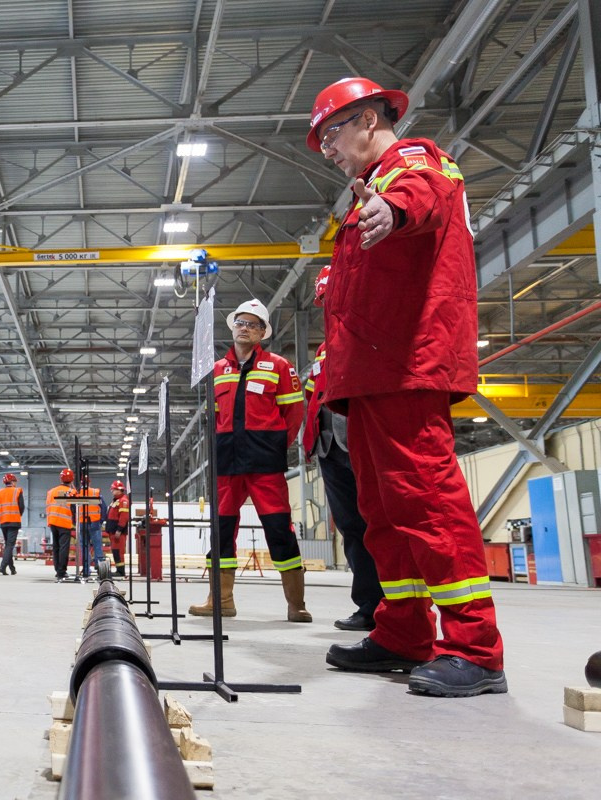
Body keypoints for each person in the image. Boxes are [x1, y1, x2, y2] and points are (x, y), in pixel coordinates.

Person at [309, 77, 505, 696]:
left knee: (427, 501)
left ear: (368, 118)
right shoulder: (370, 190)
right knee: (382, 512)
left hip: (405, 365)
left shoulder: (414, 163)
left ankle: (475, 648)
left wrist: (391, 211)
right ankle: (402, 631)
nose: (329, 151)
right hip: (368, 372)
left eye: (331, 135)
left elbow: (420, 198)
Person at [189, 298, 310, 622]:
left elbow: (294, 412)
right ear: (233, 327)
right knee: (221, 530)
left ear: (262, 333)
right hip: (227, 461)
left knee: (279, 529)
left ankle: (296, 604)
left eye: (252, 324)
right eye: (240, 322)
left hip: (264, 462)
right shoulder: (216, 370)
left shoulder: (280, 367)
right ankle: (220, 600)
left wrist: (275, 446)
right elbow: (213, 416)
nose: (245, 328)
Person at [302, 265, 382, 632]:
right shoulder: (323, 349)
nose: (328, 307)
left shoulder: (370, 334)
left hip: (363, 439)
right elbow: (313, 398)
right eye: (324, 300)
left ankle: (397, 608)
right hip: (330, 446)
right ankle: (368, 605)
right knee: (351, 526)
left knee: (378, 523)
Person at [46, 468, 76, 583]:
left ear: (61, 479)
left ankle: (57, 570)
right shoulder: (72, 492)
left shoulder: (51, 491)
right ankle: (61, 571)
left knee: (56, 547)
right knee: (64, 547)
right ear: (72, 479)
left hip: (53, 521)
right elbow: (74, 508)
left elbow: (48, 506)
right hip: (64, 522)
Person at [0, 473, 24, 575]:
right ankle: (2, 567)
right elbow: (21, 507)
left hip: (3, 521)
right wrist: (17, 515)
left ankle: (12, 568)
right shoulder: (17, 491)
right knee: (10, 545)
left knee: (8, 545)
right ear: (12, 481)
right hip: (14, 521)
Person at [77, 476, 104, 581]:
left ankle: (86, 570)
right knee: (97, 546)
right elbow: (104, 508)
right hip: (95, 523)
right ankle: (100, 569)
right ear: (89, 482)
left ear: (81, 483)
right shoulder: (95, 492)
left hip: (83, 523)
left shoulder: (78, 494)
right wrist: (100, 520)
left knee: (84, 547)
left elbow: (74, 508)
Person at [106, 480, 131, 577]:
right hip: (113, 530)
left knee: (118, 551)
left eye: (113, 489)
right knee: (115, 551)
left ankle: (120, 572)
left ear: (119, 490)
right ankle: (118, 570)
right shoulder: (116, 500)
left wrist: (119, 530)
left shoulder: (123, 501)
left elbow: (124, 516)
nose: (112, 491)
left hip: (118, 531)